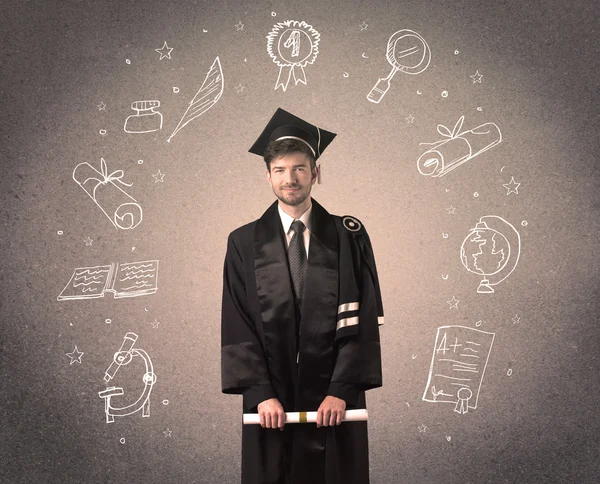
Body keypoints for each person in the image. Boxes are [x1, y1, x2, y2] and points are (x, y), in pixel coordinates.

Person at [221, 108, 384, 484]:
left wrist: (341, 390)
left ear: (316, 173)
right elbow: (237, 320)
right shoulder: (243, 242)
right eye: (279, 170)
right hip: (271, 402)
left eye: (298, 168)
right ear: (267, 176)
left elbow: (363, 316)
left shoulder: (348, 236)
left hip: (333, 399)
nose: (289, 179)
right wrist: (260, 392)